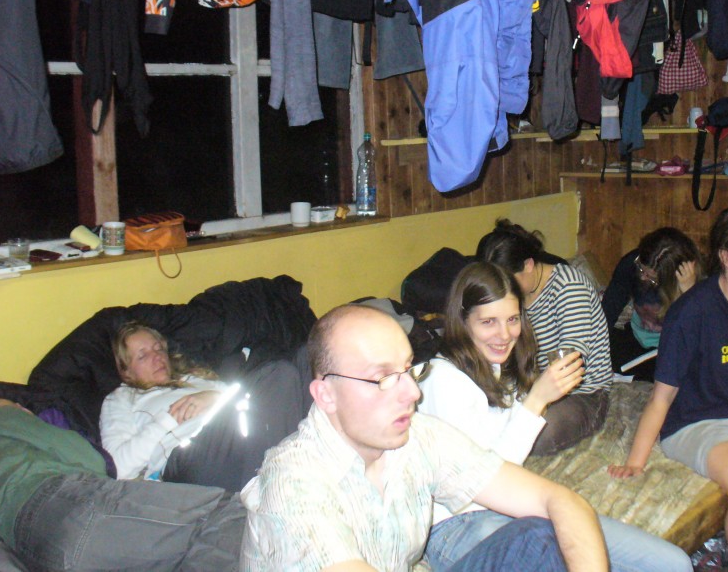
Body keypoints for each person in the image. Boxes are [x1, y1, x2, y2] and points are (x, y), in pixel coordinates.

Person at [239, 304, 609, 572]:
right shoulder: (291, 484)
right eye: (383, 378)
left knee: (537, 538)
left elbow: (560, 500)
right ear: (326, 395)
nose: (413, 394)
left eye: (409, 370)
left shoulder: (417, 435)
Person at [419, 261, 693, 572]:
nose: (504, 334)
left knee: (673, 564)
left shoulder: (501, 370)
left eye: (512, 319)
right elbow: (482, 485)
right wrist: (536, 401)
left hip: (517, 507)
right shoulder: (442, 380)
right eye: (488, 322)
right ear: (462, 321)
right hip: (460, 524)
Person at [608, 205, 728, 549]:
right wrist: (635, 463)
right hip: (703, 423)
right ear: (726, 258)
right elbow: (662, 397)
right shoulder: (691, 311)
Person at [0, 398, 245, 572]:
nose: (25, 412)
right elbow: (90, 457)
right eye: (17, 408)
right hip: (71, 506)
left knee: (180, 555)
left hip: (38, 552)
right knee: (226, 512)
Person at [100, 323, 304, 491]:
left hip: (240, 434)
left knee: (304, 358)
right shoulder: (122, 398)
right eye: (142, 355)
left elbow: (241, 399)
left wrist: (215, 397)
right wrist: (170, 418)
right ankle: (277, 484)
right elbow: (118, 467)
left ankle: (279, 482)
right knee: (279, 373)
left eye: (158, 348)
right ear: (126, 371)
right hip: (188, 455)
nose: (157, 357)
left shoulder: (196, 380)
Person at [477, 219, 612, 454]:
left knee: (533, 436)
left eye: (509, 282)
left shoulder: (569, 287)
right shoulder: (513, 295)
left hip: (582, 395)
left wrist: (530, 401)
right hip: (528, 385)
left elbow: (569, 365)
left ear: (529, 265)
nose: (503, 292)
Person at [602, 227, 704, 374]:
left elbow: (698, 335)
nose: (642, 277)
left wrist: (689, 293)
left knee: (681, 371)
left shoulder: (698, 283)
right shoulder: (632, 262)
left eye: (651, 277)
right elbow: (609, 309)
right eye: (641, 269)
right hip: (636, 338)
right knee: (601, 359)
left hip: (670, 347)